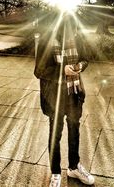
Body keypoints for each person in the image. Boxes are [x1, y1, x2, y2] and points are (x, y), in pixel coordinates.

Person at [34, 12, 95, 187]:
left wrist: (80, 66)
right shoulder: (47, 40)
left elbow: (86, 59)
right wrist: (63, 71)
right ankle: (55, 173)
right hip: (55, 96)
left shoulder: (77, 38)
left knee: (74, 130)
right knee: (55, 134)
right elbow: (39, 70)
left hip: (74, 93)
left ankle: (74, 167)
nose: (72, 31)